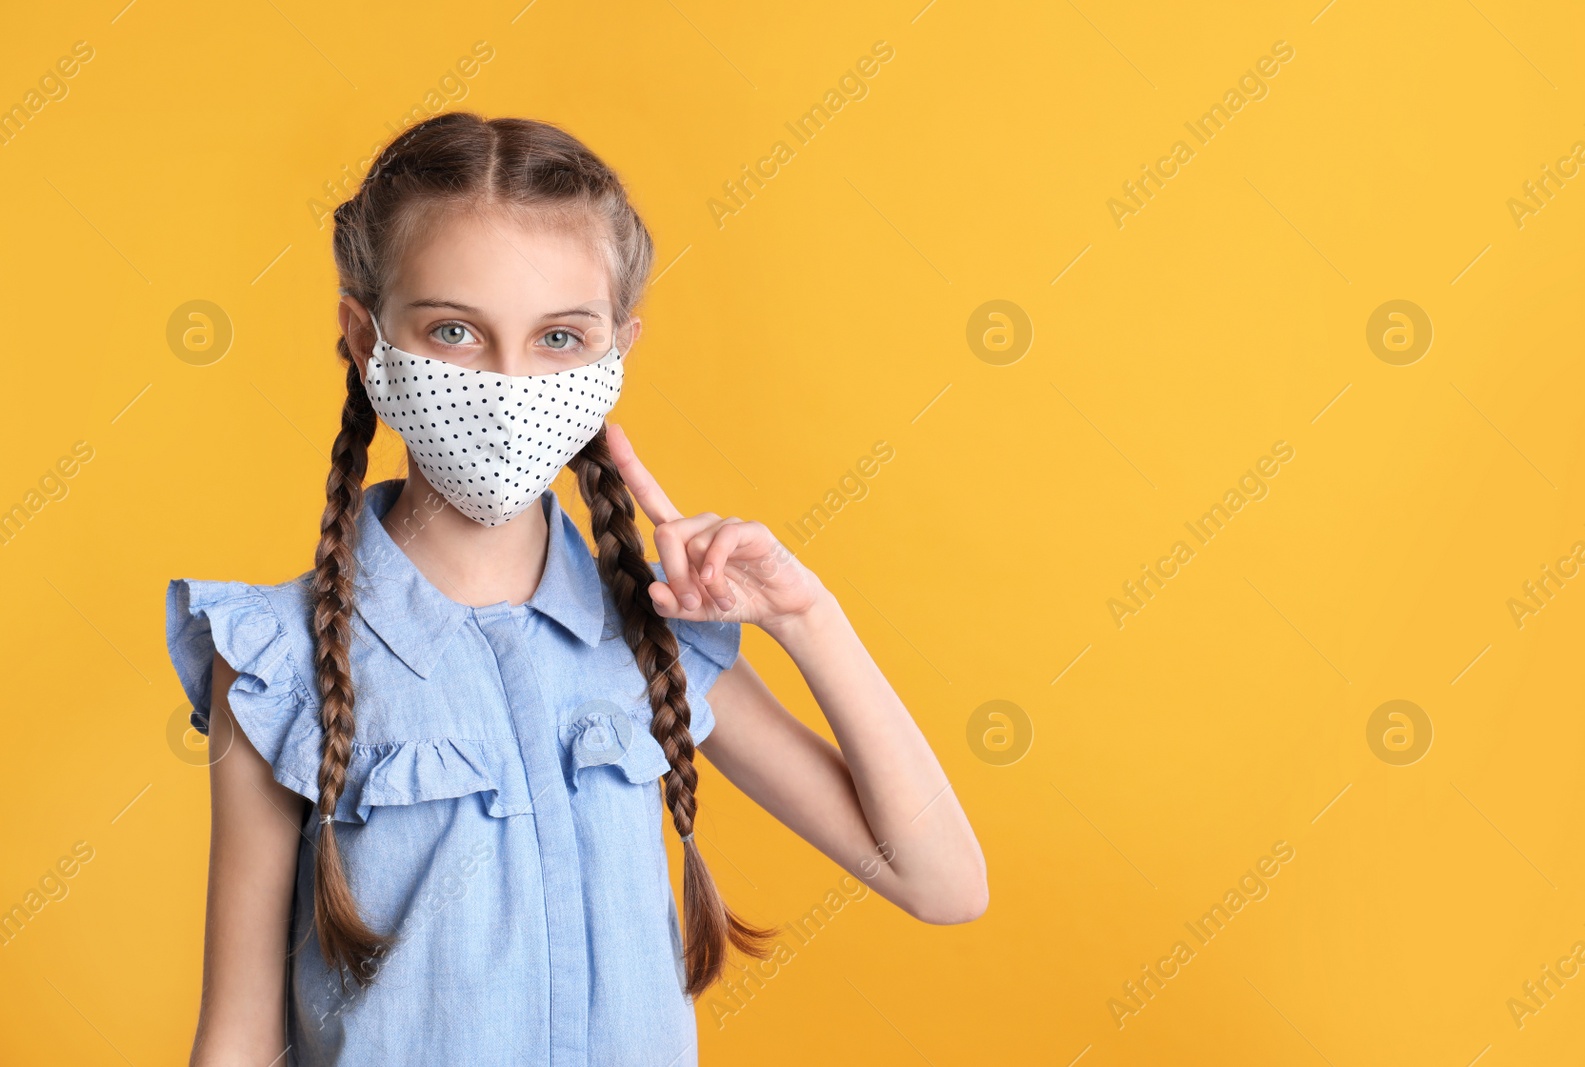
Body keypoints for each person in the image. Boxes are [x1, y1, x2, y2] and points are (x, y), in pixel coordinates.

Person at [164, 111, 986, 1067]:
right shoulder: (275, 659)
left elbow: (943, 882)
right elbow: (238, 1036)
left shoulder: (654, 635)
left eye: (559, 336)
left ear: (614, 354)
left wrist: (809, 618)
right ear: (364, 336)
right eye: (454, 331)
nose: (509, 380)